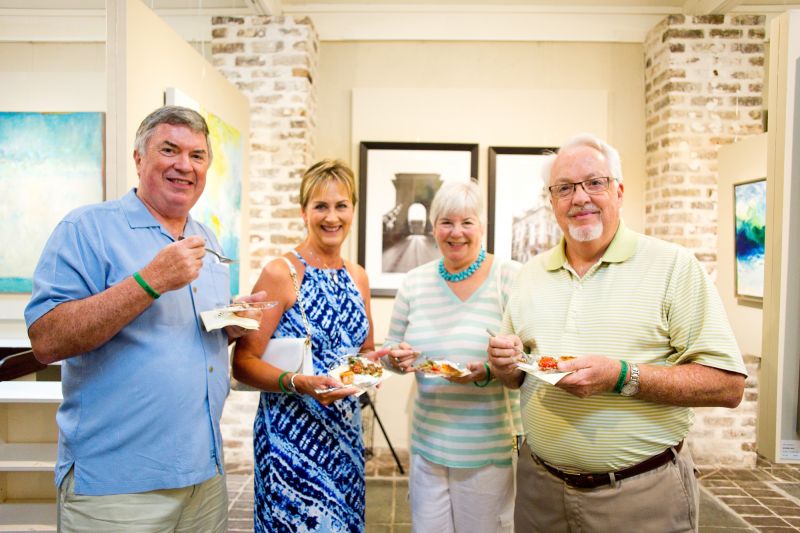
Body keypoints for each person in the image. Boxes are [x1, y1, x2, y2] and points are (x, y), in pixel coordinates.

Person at [488, 133, 746, 533]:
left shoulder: (673, 266)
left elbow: (727, 386)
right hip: (539, 491)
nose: (580, 198)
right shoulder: (529, 275)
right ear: (551, 200)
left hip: (640, 498)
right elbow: (517, 377)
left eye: (595, 182)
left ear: (619, 191)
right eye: (565, 188)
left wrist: (622, 376)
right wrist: (506, 364)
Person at [24, 105, 266, 531]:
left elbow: (182, 339)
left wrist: (230, 324)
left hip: (203, 480)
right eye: (169, 150)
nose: (184, 166)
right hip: (118, 488)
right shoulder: (86, 229)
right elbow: (47, 339)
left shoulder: (205, 238)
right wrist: (151, 279)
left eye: (197, 155)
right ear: (138, 159)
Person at [232, 159, 387, 533]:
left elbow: (362, 352)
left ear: (352, 210)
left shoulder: (358, 276)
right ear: (304, 212)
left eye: (340, 206)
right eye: (320, 206)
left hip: (344, 435)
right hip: (290, 441)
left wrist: (376, 365)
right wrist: (297, 382)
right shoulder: (280, 273)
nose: (331, 217)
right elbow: (243, 362)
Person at [385, 180, 523, 533]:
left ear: (482, 226)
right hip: (427, 444)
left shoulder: (509, 278)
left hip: (487, 446)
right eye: (446, 222)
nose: (456, 232)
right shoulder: (414, 283)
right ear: (433, 228)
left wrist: (489, 371)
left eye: (467, 222)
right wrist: (396, 358)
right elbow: (390, 351)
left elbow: (530, 357)